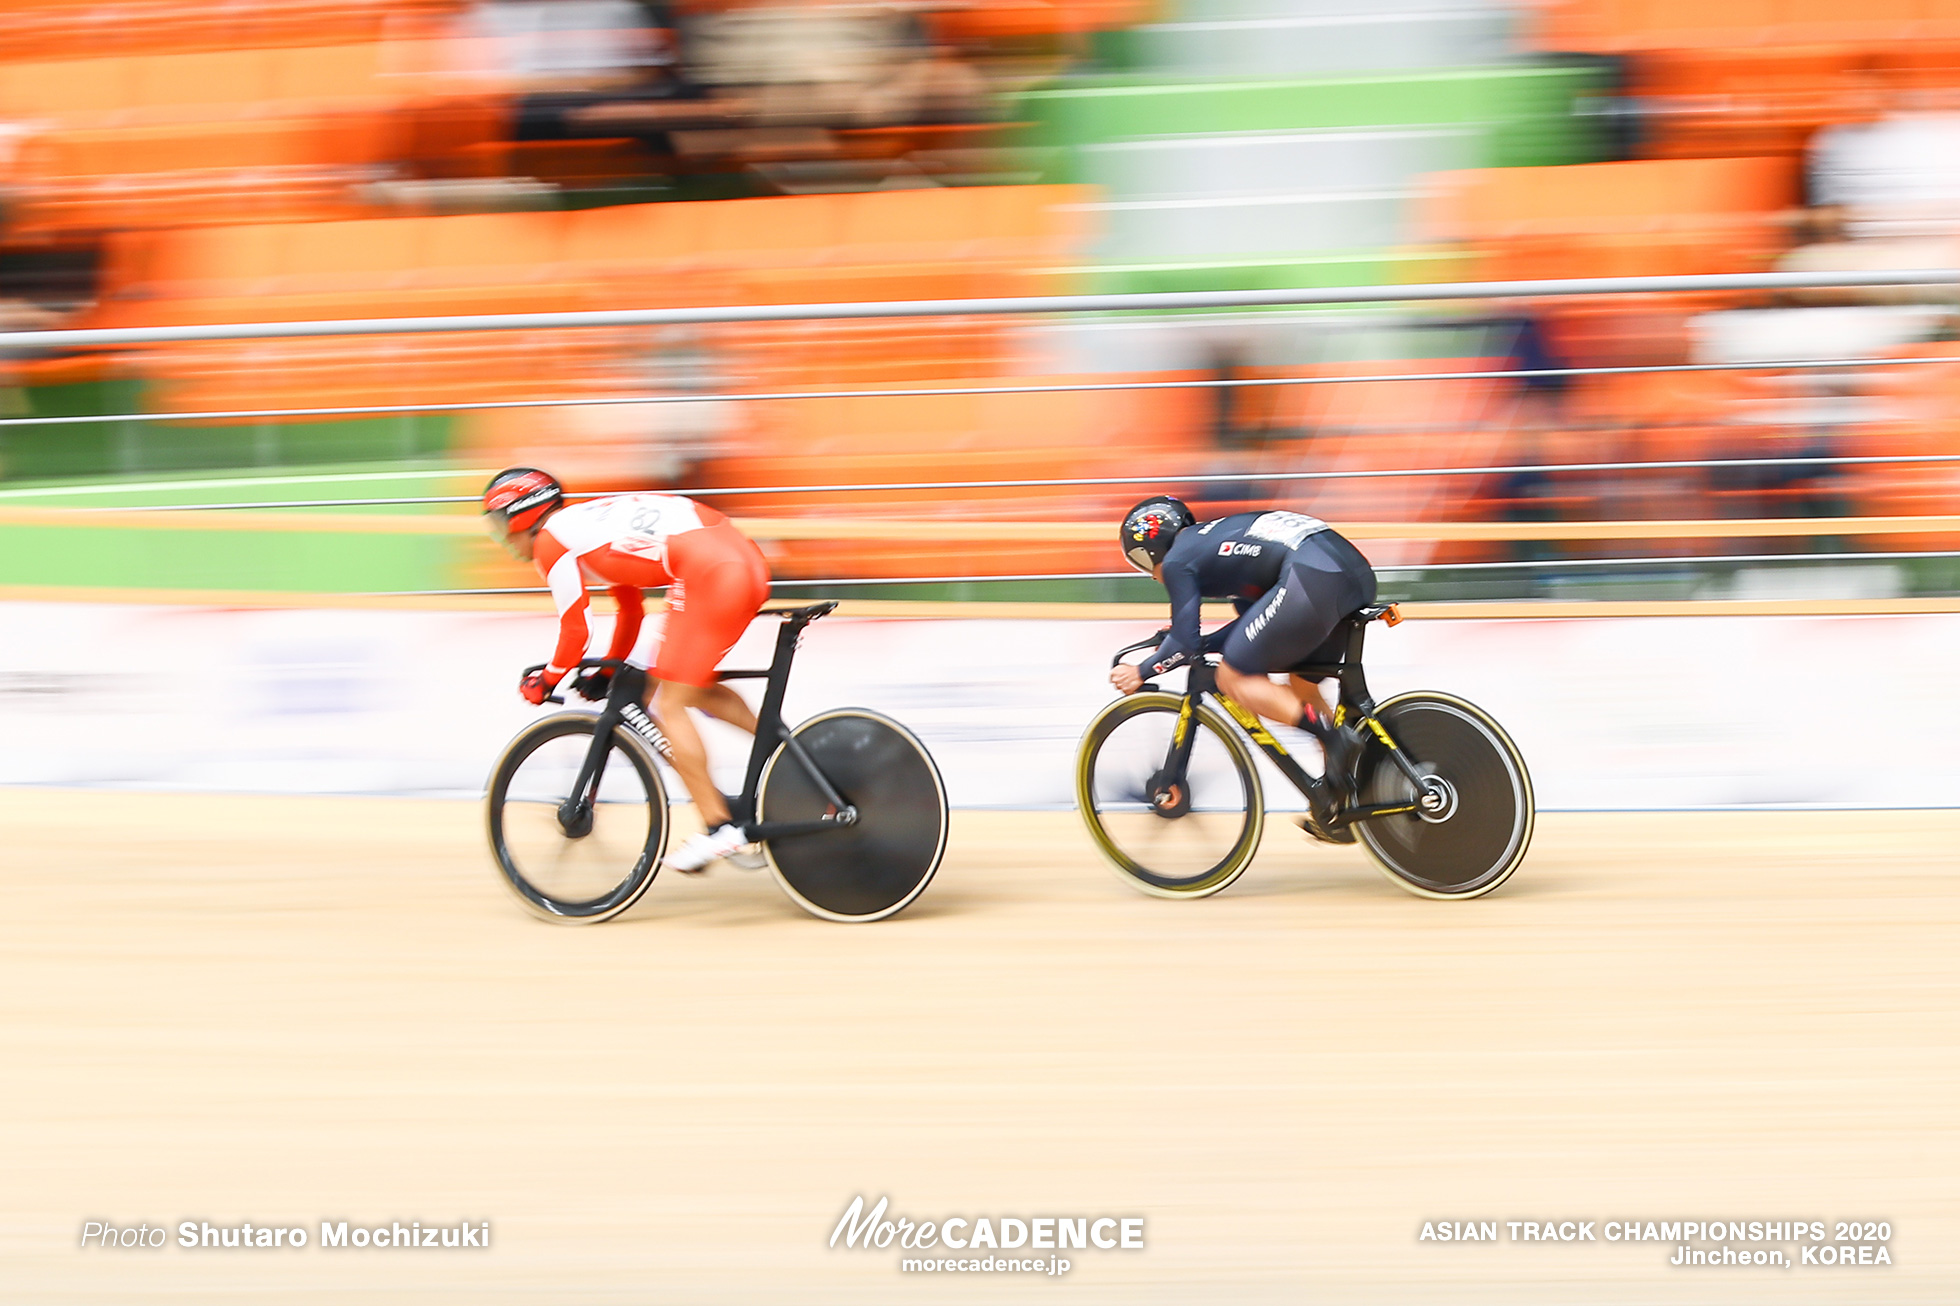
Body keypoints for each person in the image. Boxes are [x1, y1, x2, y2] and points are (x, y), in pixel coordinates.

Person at [482, 468, 772, 873]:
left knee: (667, 703)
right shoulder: (584, 527)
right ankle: (787, 755)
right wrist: (605, 672)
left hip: (710, 570)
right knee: (689, 688)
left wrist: (546, 679)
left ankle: (719, 827)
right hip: (741, 565)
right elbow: (631, 609)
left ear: (522, 515)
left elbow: (577, 629)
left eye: (499, 523)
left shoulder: (552, 541)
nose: (501, 538)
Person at [1108, 496, 1375, 817]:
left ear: (1151, 548)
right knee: (1302, 686)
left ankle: (1334, 738)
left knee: (1231, 676)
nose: (1150, 575)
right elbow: (1244, 628)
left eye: (1141, 561)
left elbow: (1183, 642)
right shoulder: (1212, 541)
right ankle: (1341, 801)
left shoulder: (1177, 559)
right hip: (1348, 571)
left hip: (1312, 575)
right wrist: (1198, 643)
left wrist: (1141, 672)